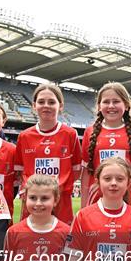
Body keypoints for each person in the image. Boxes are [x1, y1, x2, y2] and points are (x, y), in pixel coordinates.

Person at [14, 84, 81, 225]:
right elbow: (20, 173)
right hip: (33, 202)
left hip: (62, 202)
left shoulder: (70, 134)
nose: (46, 106)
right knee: (30, 242)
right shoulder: (24, 136)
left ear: (60, 106)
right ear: (34, 105)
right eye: (41, 102)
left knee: (62, 243)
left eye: (51, 102)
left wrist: (60, 187)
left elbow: (76, 170)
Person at [81, 82, 131, 209]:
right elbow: (86, 172)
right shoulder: (90, 132)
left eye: (116, 101)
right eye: (106, 102)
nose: (111, 106)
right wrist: (83, 204)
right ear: (99, 106)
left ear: (127, 105)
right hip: (98, 198)